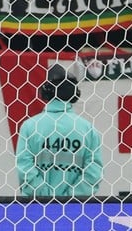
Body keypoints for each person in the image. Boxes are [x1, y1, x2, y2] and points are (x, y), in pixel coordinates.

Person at [16, 64, 103, 198]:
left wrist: (45, 197)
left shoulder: (29, 126)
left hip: (35, 208)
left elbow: (24, 168)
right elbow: (93, 173)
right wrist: (71, 198)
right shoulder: (88, 129)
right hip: (76, 210)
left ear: (45, 91)